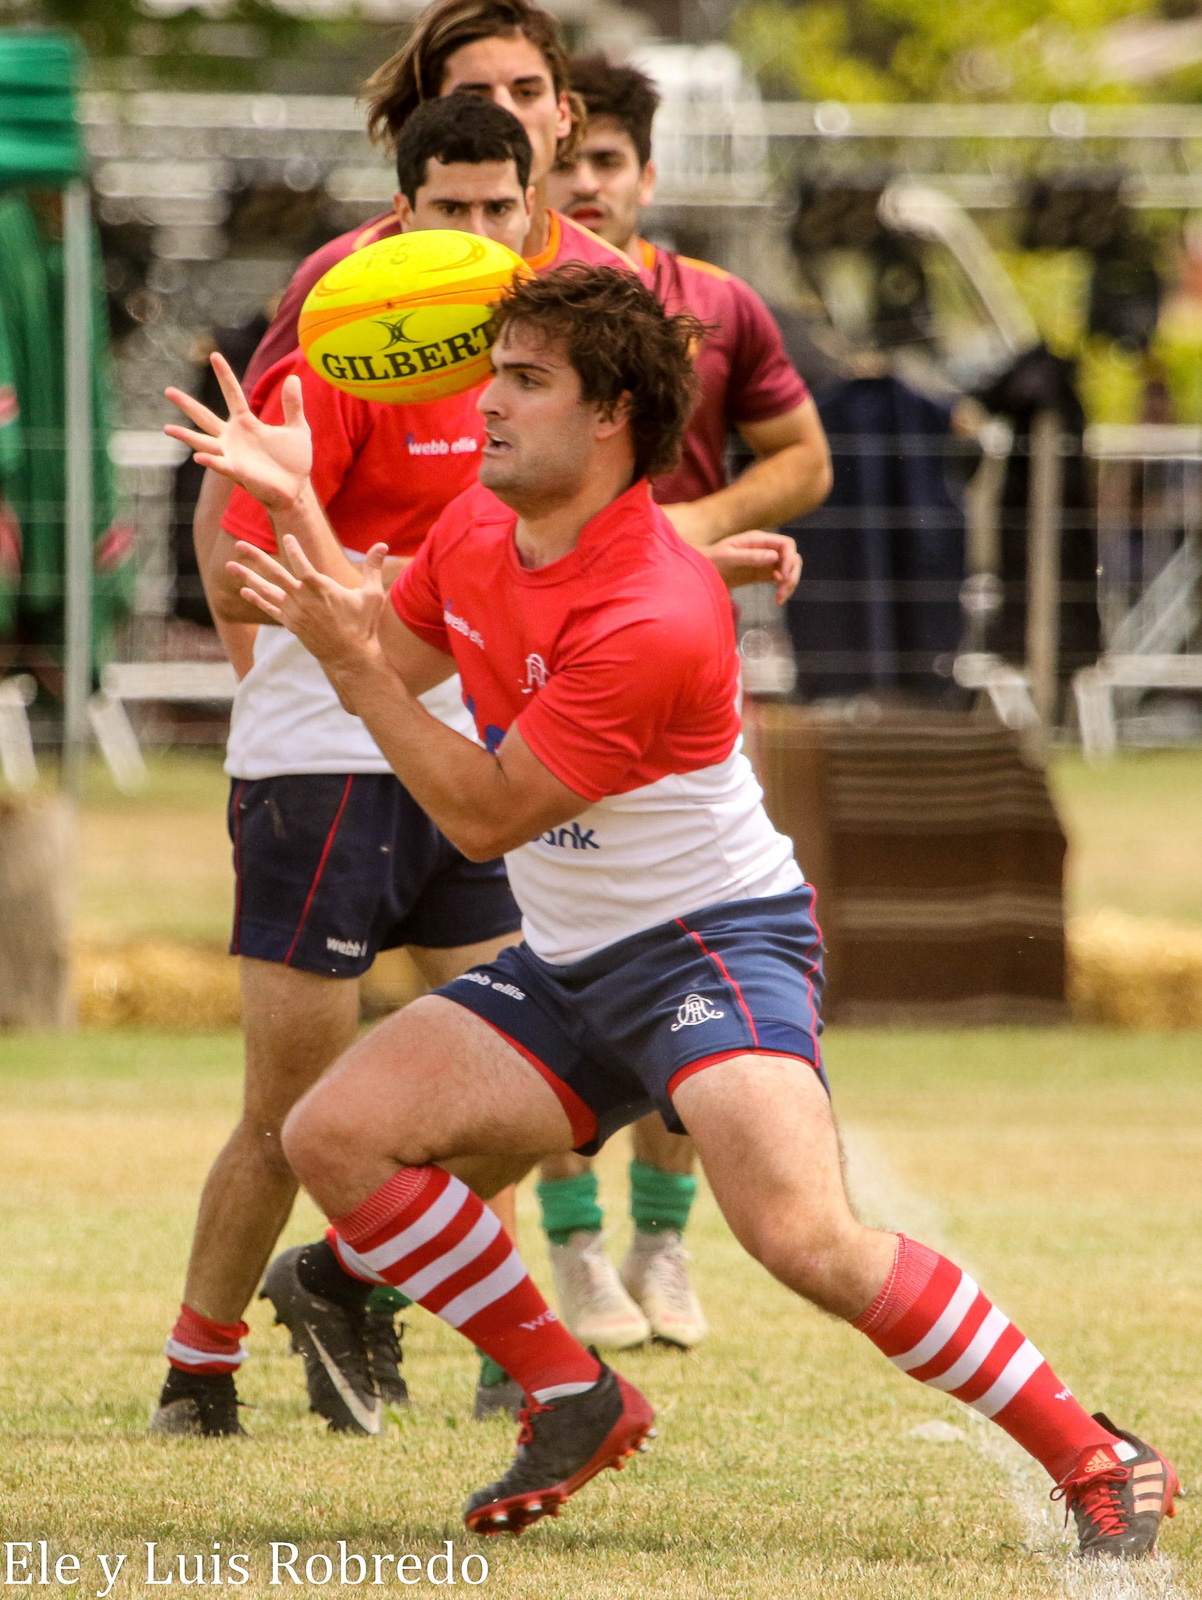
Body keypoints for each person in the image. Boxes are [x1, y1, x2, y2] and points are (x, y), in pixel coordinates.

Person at [166, 265, 1176, 1558]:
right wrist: (295, 497)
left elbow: (478, 811)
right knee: (335, 1136)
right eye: (495, 373)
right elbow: (391, 644)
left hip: (709, 942)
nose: (487, 403)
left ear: (612, 418)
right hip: (575, 958)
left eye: (524, 380)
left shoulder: (654, 607)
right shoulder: (483, 530)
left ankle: (1098, 1460)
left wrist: (359, 670)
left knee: (802, 1239)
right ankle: (572, 1394)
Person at [156, 89, 802, 1438]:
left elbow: (544, 559)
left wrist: (678, 562)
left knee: (534, 1088)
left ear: (535, 209)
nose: (471, 231)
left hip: (463, 748)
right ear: (404, 217)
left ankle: (401, 1303)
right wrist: (289, 535)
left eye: (497, 207)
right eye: (445, 209)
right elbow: (287, 585)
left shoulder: (539, 367)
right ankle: (199, 1368)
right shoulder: (353, 341)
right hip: (330, 751)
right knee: (293, 1107)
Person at [532, 54, 833, 1353]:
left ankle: (662, 1239)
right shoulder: (502, 318)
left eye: (609, 163)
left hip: (679, 680)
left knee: (689, 949)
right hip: (533, 681)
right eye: (567, 162)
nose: (586, 184)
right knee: (540, 951)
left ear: (646, 178)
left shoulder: (715, 306)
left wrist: (680, 535)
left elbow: (805, 459)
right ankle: (576, 1253)